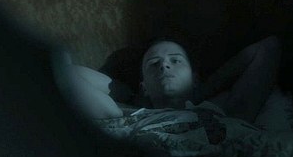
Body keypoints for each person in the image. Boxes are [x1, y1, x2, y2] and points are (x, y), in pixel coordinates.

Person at [59, 36, 281, 123]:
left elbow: (268, 47)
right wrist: (128, 95)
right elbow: (64, 71)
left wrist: (199, 92)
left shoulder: (227, 112)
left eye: (175, 61)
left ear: (195, 77)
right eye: (153, 63)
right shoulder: (121, 114)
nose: (164, 65)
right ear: (143, 86)